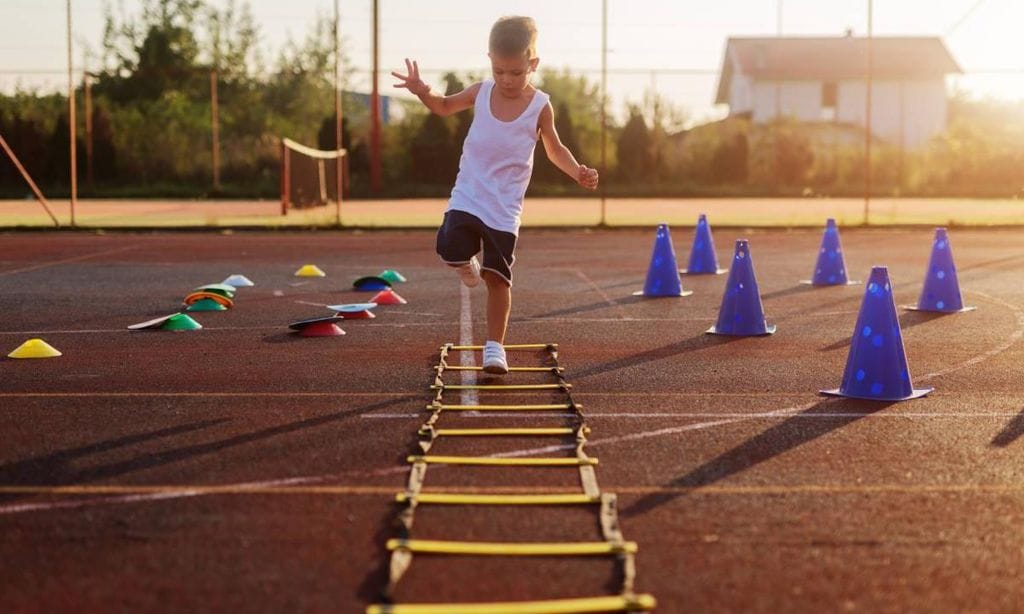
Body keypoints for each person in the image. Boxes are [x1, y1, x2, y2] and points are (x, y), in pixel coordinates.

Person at [392, 15, 599, 374]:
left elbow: (554, 149)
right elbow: (442, 106)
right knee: (448, 248)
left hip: (504, 209)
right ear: (490, 60)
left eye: (516, 72)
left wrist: (577, 171)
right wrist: (422, 90)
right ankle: (464, 266)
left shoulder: (540, 106)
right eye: (500, 70)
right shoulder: (480, 91)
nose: (507, 79)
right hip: (469, 195)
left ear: (532, 63)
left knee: (498, 279)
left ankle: (494, 348)